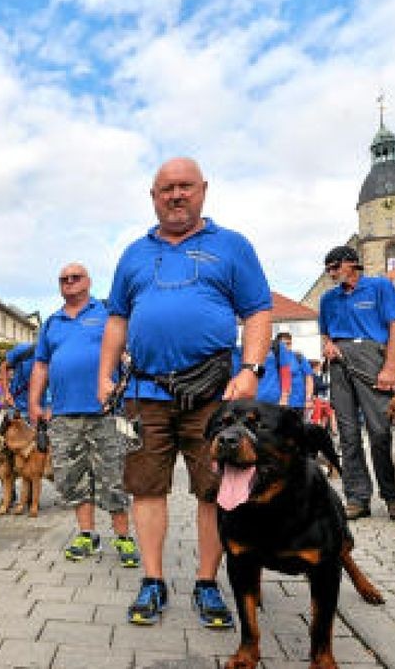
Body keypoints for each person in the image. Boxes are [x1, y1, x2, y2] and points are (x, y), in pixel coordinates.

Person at [98, 157, 273, 628]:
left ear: (203, 190)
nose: (176, 195)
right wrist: (105, 374)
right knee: (145, 487)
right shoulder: (133, 253)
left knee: (214, 490)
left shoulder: (232, 246)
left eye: (185, 187)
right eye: (165, 189)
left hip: (213, 392)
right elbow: (117, 318)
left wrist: (253, 368)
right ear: (153, 196)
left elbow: (257, 311)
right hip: (144, 391)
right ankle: (152, 580)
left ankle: (206, 582)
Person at [31, 262, 138, 567]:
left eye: (75, 277)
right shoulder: (52, 323)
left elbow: (130, 351)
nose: (69, 282)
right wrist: (35, 403)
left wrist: (123, 385)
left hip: (105, 412)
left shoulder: (107, 313)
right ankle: (87, 534)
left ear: (89, 281)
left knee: (113, 477)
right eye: (63, 279)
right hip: (63, 415)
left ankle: (123, 537)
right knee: (72, 478)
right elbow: (41, 365)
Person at [319, 245, 395, 522]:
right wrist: (328, 344)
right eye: (328, 269)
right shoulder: (328, 298)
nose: (331, 273)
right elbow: (324, 332)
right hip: (340, 361)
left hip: (372, 355)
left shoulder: (379, 286)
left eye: (335, 267)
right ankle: (357, 497)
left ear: (351, 263)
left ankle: (393, 495)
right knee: (347, 432)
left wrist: (391, 366)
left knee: (380, 430)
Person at [275, 332, 313, 417]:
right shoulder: (273, 358)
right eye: (283, 344)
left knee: (297, 429)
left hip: (297, 403)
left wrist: (308, 399)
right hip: (277, 403)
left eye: (289, 343)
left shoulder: (298, 357)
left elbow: (309, 379)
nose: (286, 346)